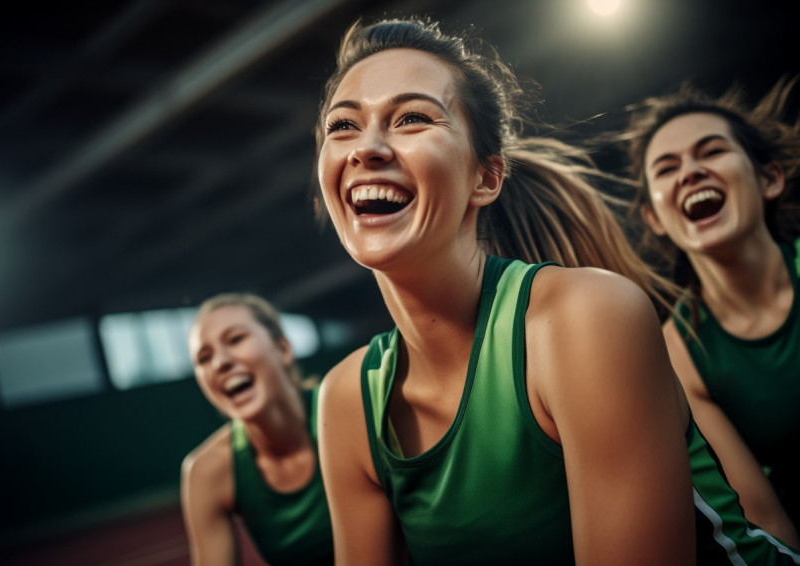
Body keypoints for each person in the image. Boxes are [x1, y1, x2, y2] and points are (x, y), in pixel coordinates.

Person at [313, 16, 800, 566]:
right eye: (342, 126)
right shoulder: (346, 400)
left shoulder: (587, 317)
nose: (366, 147)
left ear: (486, 178)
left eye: (412, 118)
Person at [622, 76, 800, 545]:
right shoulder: (674, 352)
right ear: (655, 218)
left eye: (712, 151)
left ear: (769, 178)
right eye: (666, 167)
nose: (690, 172)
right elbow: (766, 520)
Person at [180, 293, 334, 566]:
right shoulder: (206, 472)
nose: (220, 363)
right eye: (204, 358)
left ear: (283, 349)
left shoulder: (346, 408)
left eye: (236, 339)